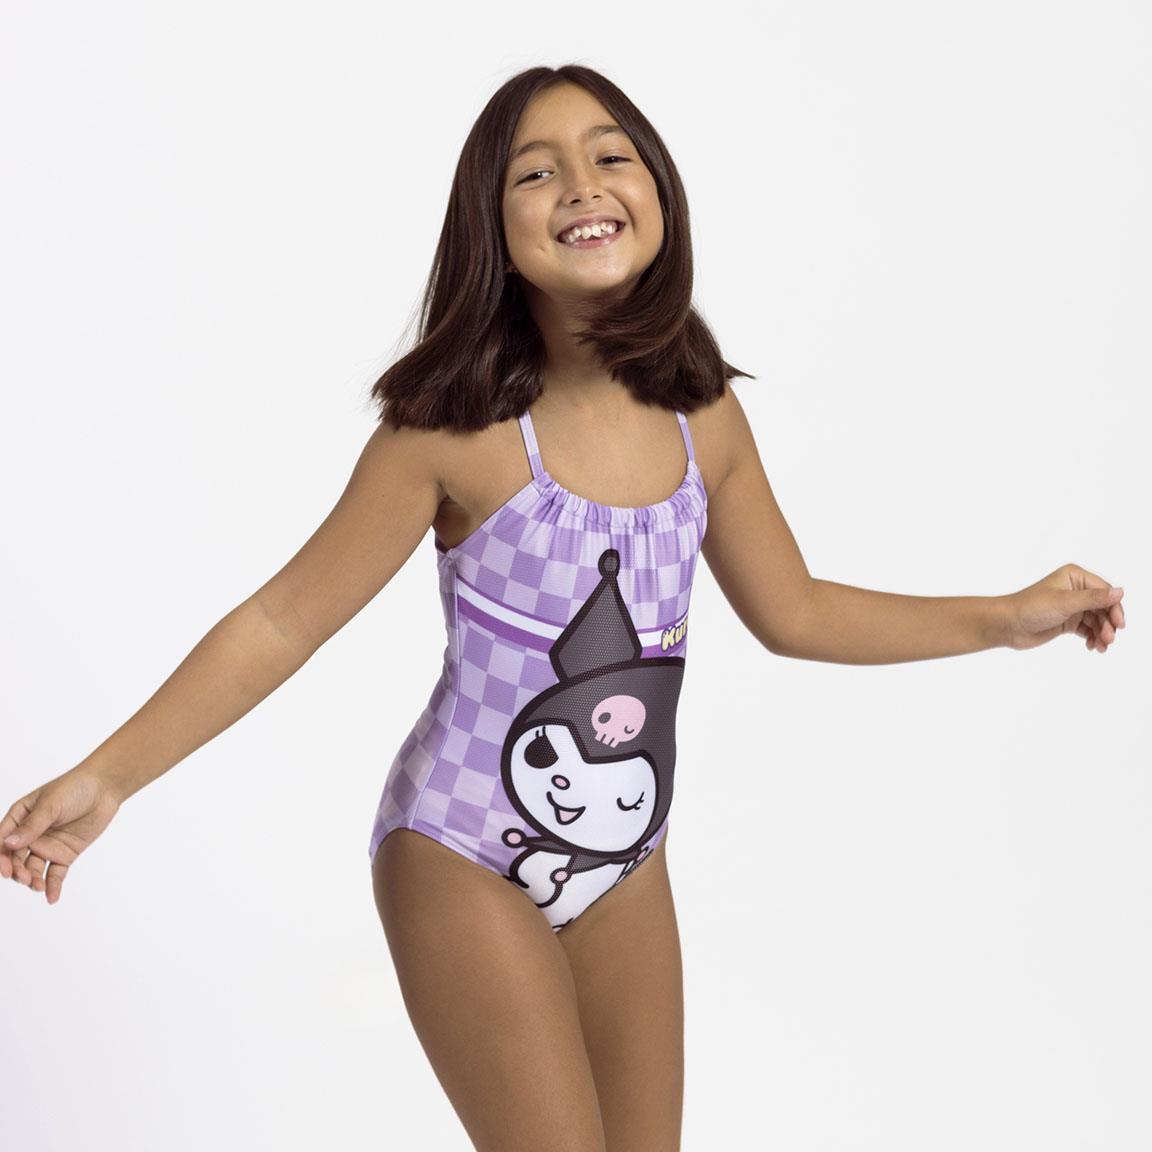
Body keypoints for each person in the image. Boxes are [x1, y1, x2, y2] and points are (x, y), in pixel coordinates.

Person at [0, 64, 1126, 1152]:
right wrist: (111, 775)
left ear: (660, 192)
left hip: (625, 861)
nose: (582, 186)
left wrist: (1005, 617)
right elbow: (283, 621)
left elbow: (796, 612)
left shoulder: (703, 419)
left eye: (610, 157)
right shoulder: (451, 434)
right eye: (535, 173)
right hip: (459, 847)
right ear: (494, 232)